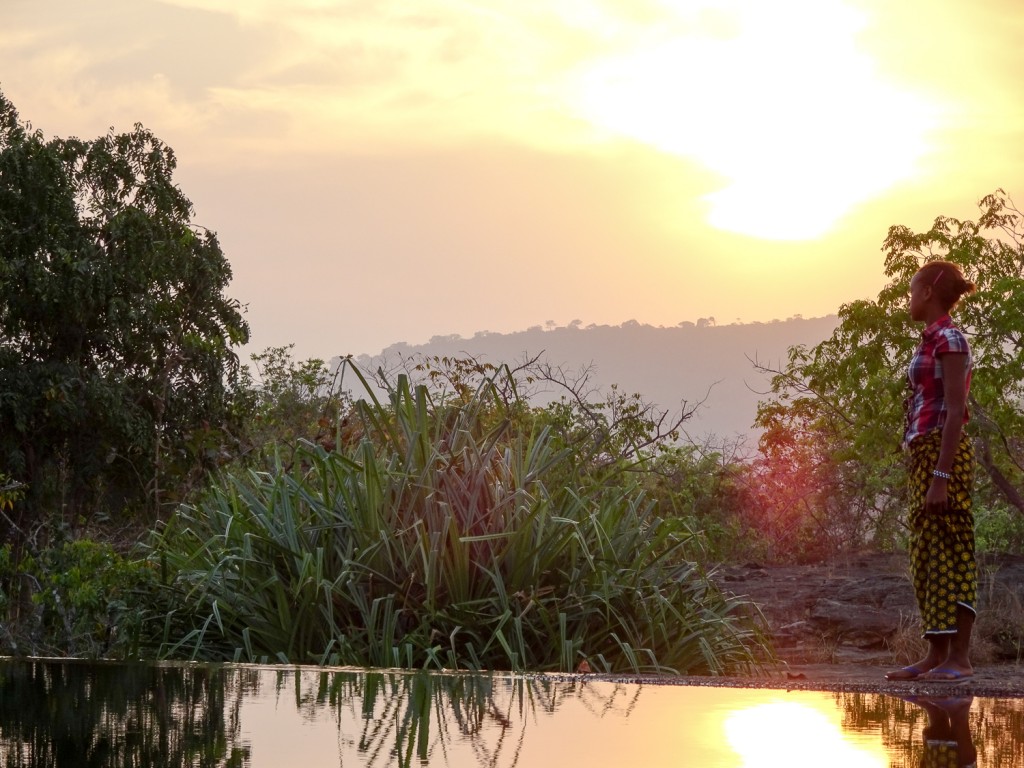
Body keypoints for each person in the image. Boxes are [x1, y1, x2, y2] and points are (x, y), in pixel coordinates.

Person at [886, 260, 977, 682]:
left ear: (926, 293)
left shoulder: (950, 339)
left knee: (953, 548)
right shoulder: (929, 340)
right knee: (927, 553)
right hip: (925, 453)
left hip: (946, 458)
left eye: (910, 290)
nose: (908, 299)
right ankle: (935, 654)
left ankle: (960, 658)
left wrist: (941, 476)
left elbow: (956, 412)